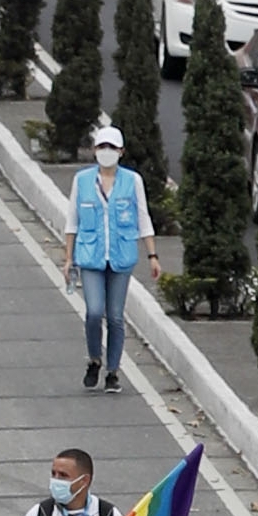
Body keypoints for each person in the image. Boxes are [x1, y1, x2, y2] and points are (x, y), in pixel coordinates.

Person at [62, 120, 161, 393]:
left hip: (121, 256)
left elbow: (143, 218)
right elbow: (72, 220)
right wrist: (68, 258)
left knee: (116, 316)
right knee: (94, 311)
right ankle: (95, 359)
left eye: (112, 147)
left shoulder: (132, 181)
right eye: (102, 146)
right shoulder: (82, 180)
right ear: (95, 150)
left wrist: (152, 255)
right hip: (90, 256)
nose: (107, 152)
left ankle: (113, 372)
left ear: (121, 151)